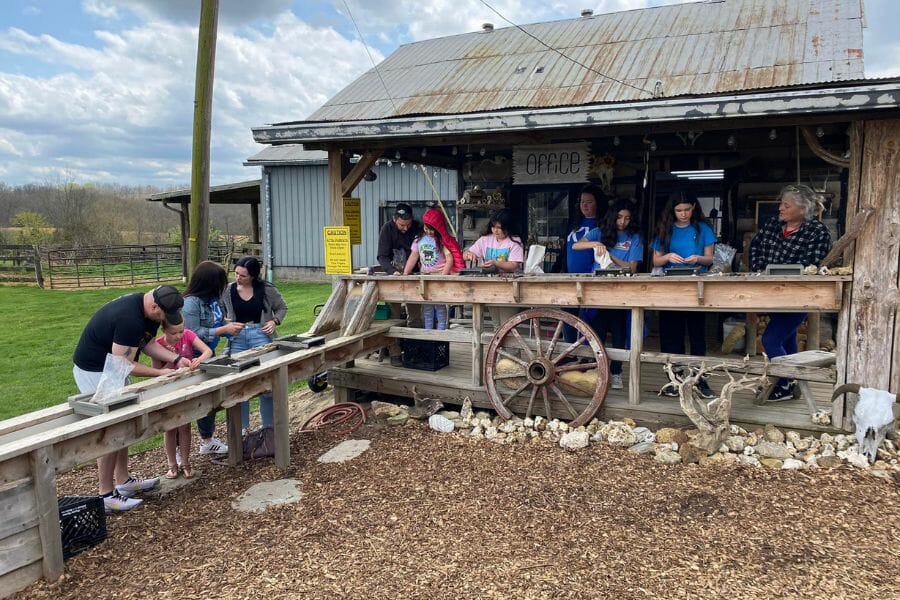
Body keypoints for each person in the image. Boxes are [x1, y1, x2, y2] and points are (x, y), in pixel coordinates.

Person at [73, 285, 189, 512]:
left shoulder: (149, 311)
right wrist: (159, 372)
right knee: (110, 429)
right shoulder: (129, 318)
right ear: (155, 306)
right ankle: (106, 495)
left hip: (112, 368)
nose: (164, 320)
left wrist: (176, 359)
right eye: (164, 315)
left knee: (123, 424)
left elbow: (147, 344)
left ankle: (123, 481)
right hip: (95, 370)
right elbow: (124, 364)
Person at [750, 184, 832, 401]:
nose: (780, 209)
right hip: (772, 293)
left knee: (770, 339)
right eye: (781, 204)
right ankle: (788, 388)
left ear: (803, 210)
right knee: (788, 339)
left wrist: (778, 271)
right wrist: (760, 270)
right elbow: (756, 248)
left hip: (799, 295)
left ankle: (785, 383)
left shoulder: (817, 232)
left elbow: (811, 263)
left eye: (786, 205)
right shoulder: (771, 226)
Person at [572, 199, 644, 389]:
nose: (623, 222)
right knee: (598, 331)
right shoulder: (600, 232)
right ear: (613, 216)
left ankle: (616, 372)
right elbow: (576, 246)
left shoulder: (634, 237)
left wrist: (610, 256)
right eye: (619, 217)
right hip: (599, 291)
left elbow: (633, 267)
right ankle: (597, 370)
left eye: (627, 218)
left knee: (619, 333)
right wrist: (596, 243)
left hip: (621, 292)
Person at [651, 191, 717, 399]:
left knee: (697, 333)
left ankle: (699, 378)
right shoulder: (665, 230)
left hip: (696, 285)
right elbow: (656, 261)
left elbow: (710, 259)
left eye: (687, 209)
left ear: (694, 208)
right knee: (671, 333)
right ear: (673, 211)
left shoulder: (703, 229)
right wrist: (669, 256)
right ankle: (674, 378)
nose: (683, 214)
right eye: (679, 210)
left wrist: (697, 257)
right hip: (671, 286)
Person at [221, 256, 288, 433]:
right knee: (238, 382)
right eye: (236, 274)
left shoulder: (266, 290)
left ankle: (268, 427)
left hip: (260, 334)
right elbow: (219, 312)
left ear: (253, 276)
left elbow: (282, 307)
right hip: (237, 337)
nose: (238, 278)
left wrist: (274, 321)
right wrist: (225, 323)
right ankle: (242, 428)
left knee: (266, 382)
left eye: (243, 275)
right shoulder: (228, 290)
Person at [182, 260, 241, 456]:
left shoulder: (212, 300)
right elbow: (193, 333)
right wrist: (222, 329)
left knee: (210, 400)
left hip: (211, 354)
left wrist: (230, 327)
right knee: (193, 401)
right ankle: (178, 449)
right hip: (195, 357)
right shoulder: (191, 303)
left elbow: (217, 320)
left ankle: (207, 439)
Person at [151, 320, 213, 479]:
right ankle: (172, 464)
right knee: (170, 428)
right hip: (168, 391)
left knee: (185, 426)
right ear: (164, 329)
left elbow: (207, 351)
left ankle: (185, 463)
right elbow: (157, 371)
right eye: (173, 333)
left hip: (186, 388)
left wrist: (199, 360)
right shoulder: (158, 345)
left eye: (181, 331)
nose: (178, 335)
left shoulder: (188, 335)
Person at [463, 209, 525, 328]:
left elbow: (513, 265)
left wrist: (496, 263)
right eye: (493, 227)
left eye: (499, 228)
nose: (495, 230)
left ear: (508, 227)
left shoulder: (515, 241)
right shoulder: (485, 239)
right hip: (491, 286)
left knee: (508, 324)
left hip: (509, 287)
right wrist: (469, 255)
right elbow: (465, 254)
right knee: (496, 324)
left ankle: (506, 346)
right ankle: (499, 347)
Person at [403, 208, 462, 330]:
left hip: (440, 275)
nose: (429, 232)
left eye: (432, 229)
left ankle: (441, 333)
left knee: (440, 307)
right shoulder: (418, 240)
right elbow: (413, 256)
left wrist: (443, 276)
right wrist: (405, 273)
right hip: (425, 276)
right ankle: (428, 333)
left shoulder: (442, 241)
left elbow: (449, 259)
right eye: (426, 228)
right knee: (427, 307)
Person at [563, 184, 604, 343]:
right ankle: (569, 352)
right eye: (582, 202)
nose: (585, 205)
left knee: (590, 318)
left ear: (598, 203)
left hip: (592, 278)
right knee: (568, 315)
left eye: (589, 202)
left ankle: (590, 356)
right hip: (569, 277)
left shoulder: (602, 224)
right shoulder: (573, 223)